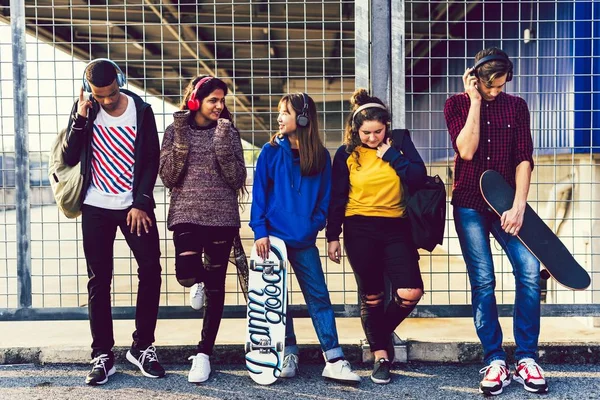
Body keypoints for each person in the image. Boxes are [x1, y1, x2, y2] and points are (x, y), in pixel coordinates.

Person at [444, 47, 548, 395]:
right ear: (475, 79)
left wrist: (519, 205)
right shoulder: (456, 104)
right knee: (484, 281)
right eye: (489, 87)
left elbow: (523, 157)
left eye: (500, 87)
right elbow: (467, 150)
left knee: (529, 270)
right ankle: (494, 360)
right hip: (470, 205)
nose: (495, 92)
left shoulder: (516, 106)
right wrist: (475, 101)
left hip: (506, 205)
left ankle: (526, 358)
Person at [62, 59, 165, 385]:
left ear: (119, 82)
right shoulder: (85, 108)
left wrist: (141, 202)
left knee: (151, 269)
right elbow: (68, 155)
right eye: (98, 95)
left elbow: (152, 159)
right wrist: (80, 117)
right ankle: (102, 354)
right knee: (99, 280)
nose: (105, 101)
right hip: (95, 206)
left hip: (134, 206)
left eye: (110, 94)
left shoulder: (141, 109)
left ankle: (143, 346)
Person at [249, 93, 360, 383]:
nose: (279, 118)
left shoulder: (320, 156)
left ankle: (333, 358)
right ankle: (287, 351)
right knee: (276, 301)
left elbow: (325, 198)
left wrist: (313, 227)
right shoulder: (270, 151)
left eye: (285, 112)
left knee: (318, 296)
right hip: (272, 241)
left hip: (304, 239)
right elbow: (259, 195)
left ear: (302, 118)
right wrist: (260, 231)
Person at [325, 89, 426, 384]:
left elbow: (418, 177)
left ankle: (376, 334)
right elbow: (337, 197)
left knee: (410, 291)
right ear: (356, 129)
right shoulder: (346, 153)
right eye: (366, 132)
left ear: (387, 126)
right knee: (372, 296)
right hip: (359, 228)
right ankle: (382, 358)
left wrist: (392, 155)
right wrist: (332, 235)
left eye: (377, 131)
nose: (372, 138)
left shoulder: (400, 143)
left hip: (397, 227)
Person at [159, 75, 247, 383]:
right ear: (196, 100)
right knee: (186, 273)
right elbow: (169, 176)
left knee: (215, 288)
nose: (220, 106)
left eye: (223, 100)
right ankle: (195, 279)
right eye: (213, 100)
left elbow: (236, 178)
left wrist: (223, 137)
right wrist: (183, 132)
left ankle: (204, 354)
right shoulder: (174, 131)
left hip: (222, 216)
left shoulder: (229, 132)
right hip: (186, 213)